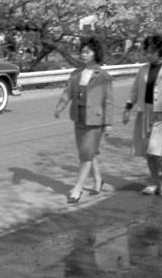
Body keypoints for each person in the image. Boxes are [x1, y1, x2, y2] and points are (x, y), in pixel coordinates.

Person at [54, 37, 113, 204]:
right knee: (87, 151)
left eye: (88, 52)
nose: (84, 55)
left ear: (95, 54)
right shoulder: (76, 74)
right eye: (82, 51)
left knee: (86, 154)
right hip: (79, 118)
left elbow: (108, 100)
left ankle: (78, 188)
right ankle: (98, 180)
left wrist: (107, 123)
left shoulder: (103, 76)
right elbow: (67, 93)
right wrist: (59, 107)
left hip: (95, 120)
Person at [122, 34, 162, 195]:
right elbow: (134, 90)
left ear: (160, 51)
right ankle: (154, 180)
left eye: (151, 51)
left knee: (158, 151)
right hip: (144, 111)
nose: (148, 54)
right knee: (148, 151)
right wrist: (127, 108)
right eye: (146, 51)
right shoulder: (143, 69)